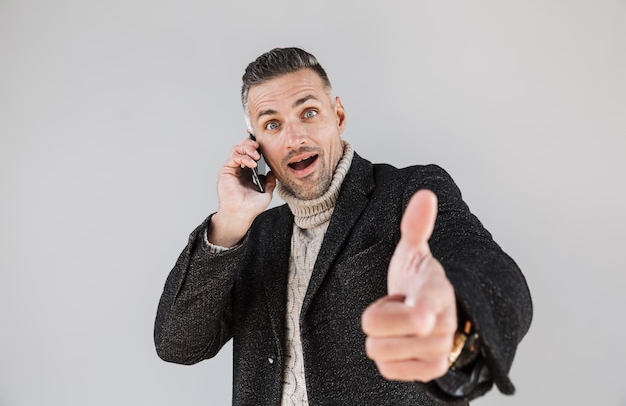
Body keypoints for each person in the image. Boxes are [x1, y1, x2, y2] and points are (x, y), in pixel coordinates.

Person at [154, 47, 533, 406]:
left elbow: (496, 275)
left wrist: (455, 316)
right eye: (272, 124)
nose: (294, 138)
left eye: (308, 113)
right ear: (256, 146)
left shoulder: (409, 193)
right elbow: (178, 343)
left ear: (338, 117)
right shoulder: (254, 234)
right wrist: (230, 222)